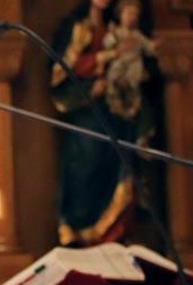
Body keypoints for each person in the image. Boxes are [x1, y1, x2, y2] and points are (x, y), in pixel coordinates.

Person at [50, 0, 154, 247]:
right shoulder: (77, 28)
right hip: (86, 111)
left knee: (120, 168)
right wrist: (107, 59)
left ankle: (115, 233)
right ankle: (80, 232)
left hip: (114, 112)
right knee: (85, 168)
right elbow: (64, 70)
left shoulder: (116, 29)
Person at [103, 0, 157, 120]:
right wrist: (112, 35)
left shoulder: (137, 35)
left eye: (134, 14)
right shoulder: (117, 32)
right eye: (128, 13)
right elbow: (107, 44)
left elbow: (147, 47)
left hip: (134, 64)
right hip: (119, 62)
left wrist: (154, 46)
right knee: (114, 74)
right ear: (120, 15)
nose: (131, 17)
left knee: (134, 76)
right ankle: (115, 98)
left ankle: (131, 106)